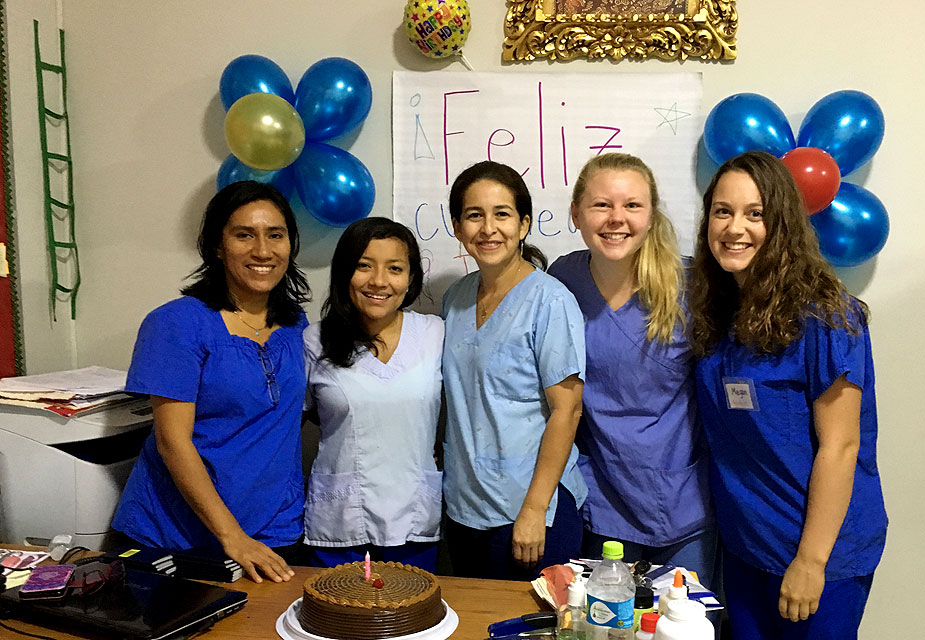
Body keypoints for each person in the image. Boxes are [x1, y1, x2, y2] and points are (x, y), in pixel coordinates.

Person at [690, 151, 886, 639]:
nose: (735, 228)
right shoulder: (719, 309)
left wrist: (810, 562)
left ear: (781, 222)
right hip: (746, 548)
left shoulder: (825, 315)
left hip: (821, 556)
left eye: (755, 214)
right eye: (722, 211)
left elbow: (841, 448)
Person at [112, 181, 311, 583]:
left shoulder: (295, 325)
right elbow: (173, 442)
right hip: (177, 538)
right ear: (217, 246)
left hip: (275, 530)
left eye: (276, 235)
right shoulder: (176, 324)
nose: (263, 250)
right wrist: (232, 537)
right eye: (244, 235)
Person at [549, 153, 715, 583]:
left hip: (681, 501)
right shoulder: (563, 279)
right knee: (607, 625)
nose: (616, 219)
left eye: (632, 206)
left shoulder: (691, 287)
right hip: (601, 498)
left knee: (684, 625)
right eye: (601, 205)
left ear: (651, 214)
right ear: (576, 213)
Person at [441, 160, 587, 580]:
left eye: (502, 214)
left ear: (524, 224)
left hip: (531, 512)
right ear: (457, 226)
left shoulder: (550, 301)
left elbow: (567, 411)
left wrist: (534, 509)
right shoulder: (455, 298)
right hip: (465, 508)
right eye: (474, 215)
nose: (489, 228)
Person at [302, 217, 443, 572]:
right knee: (337, 621)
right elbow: (296, 422)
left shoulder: (434, 333)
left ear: (411, 278)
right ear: (344, 272)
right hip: (340, 521)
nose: (379, 281)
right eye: (364, 266)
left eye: (395, 268)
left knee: (410, 621)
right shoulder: (314, 340)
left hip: (414, 520)